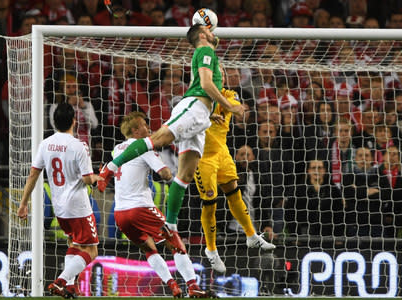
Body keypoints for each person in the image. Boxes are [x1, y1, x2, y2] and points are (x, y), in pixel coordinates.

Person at [99, 24, 244, 238]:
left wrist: (208, 113)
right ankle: (108, 169)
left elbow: (200, 84)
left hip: (199, 115)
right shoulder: (205, 50)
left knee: (184, 176)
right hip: (193, 109)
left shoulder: (204, 53)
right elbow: (205, 84)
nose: (214, 33)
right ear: (202, 35)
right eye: (209, 30)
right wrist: (229, 105)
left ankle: (171, 225)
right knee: (155, 140)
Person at [112, 111, 212, 298]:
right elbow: (165, 173)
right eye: (144, 125)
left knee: (149, 248)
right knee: (175, 242)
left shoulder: (116, 149)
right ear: (135, 130)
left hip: (120, 213)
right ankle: (193, 286)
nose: (148, 128)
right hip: (140, 207)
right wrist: (177, 178)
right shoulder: (143, 147)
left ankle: (173, 285)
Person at [17, 103, 103, 298]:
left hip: (60, 208)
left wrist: (23, 204)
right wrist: (99, 177)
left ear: (54, 122)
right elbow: (88, 179)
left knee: (75, 245)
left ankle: (70, 286)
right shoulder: (79, 145)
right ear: (74, 120)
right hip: (79, 207)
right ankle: (60, 281)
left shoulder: (45, 144)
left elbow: (33, 175)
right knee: (91, 251)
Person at [194, 83, 275, 273]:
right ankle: (211, 249)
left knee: (235, 192)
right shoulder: (196, 96)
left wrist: (212, 110)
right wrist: (206, 115)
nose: (218, 75)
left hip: (222, 151)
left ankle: (251, 235)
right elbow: (187, 118)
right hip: (203, 155)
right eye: (215, 70)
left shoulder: (231, 94)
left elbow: (236, 108)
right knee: (210, 201)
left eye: (221, 72)